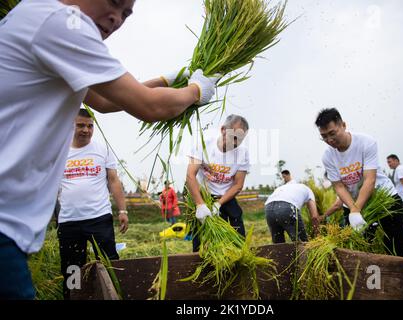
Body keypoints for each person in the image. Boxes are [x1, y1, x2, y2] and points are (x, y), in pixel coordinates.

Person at [0, 0, 219, 299]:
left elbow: (104, 101)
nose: (117, 18)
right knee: (71, 274)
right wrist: (195, 91)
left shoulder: (36, 16)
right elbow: (148, 105)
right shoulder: (63, 23)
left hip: (29, 226)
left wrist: (166, 80)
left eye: (127, 13)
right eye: (114, 2)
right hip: (7, 225)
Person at [315, 108, 403, 257]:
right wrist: (353, 209)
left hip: (384, 198)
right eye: (324, 137)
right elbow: (339, 186)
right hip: (352, 202)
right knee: (358, 249)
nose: (329, 140)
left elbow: (370, 179)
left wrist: (355, 210)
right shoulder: (328, 156)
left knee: (399, 244)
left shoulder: (366, 142)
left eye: (332, 133)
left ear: (343, 125)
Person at [57, 108, 128, 299]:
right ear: (70, 125)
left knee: (109, 262)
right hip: (69, 221)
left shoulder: (102, 148)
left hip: (99, 218)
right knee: (72, 268)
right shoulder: (59, 151)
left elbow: (113, 180)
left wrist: (122, 210)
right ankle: (74, 296)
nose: (86, 130)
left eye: (90, 126)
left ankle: (115, 294)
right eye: (80, 125)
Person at [186, 115, 250, 252]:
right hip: (205, 196)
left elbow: (238, 185)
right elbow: (190, 175)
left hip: (226, 196)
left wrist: (219, 203)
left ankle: (239, 258)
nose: (236, 143)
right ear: (223, 130)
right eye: (233, 138)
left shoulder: (243, 153)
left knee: (238, 234)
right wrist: (200, 204)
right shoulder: (203, 145)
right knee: (201, 238)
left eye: (240, 140)